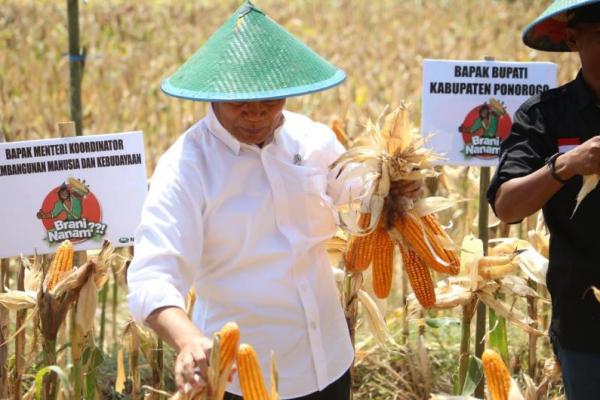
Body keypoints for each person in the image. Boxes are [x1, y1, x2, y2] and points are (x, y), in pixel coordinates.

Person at [127, 2, 419, 399]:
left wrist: (394, 187)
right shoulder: (185, 167)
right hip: (242, 378)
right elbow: (152, 276)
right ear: (213, 94)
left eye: (269, 103)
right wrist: (188, 339)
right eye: (240, 106)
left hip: (330, 361)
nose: (255, 116)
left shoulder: (312, 139)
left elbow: (357, 195)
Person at [488, 1, 600, 398]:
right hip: (586, 319)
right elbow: (507, 205)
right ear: (573, 38)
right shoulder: (544, 115)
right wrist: (566, 165)